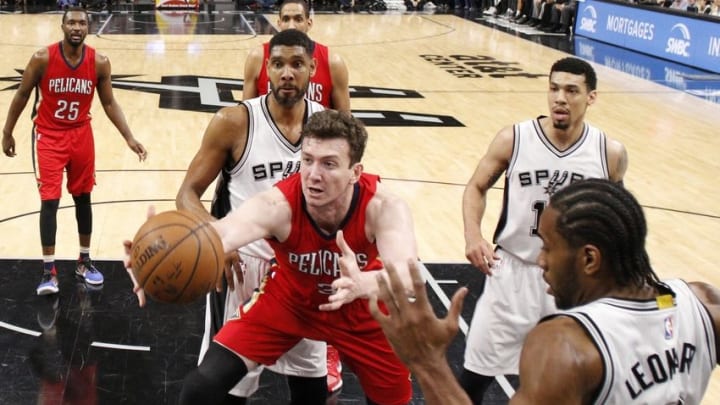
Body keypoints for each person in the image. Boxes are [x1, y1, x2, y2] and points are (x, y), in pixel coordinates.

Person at [125, 109, 417, 405]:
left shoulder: (384, 207)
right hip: (290, 302)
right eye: (307, 160)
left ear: (355, 172)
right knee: (201, 388)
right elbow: (219, 236)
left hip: (363, 312)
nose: (314, 175)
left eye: (329, 164)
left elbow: (407, 276)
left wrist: (362, 284)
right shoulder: (278, 204)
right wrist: (156, 251)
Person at [372, 178, 720, 404]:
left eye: (549, 247)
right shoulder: (702, 303)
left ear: (589, 259)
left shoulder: (566, 345)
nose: (540, 261)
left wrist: (428, 362)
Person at [460, 57, 629, 403]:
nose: (559, 99)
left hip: (572, 283)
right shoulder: (515, 138)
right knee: (473, 380)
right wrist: (473, 236)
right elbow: (475, 187)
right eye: (553, 89)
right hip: (512, 274)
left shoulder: (608, 153)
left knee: (570, 388)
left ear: (591, 97)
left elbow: (620, 219)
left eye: (571, 90)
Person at [175, 29, 327, 404]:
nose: (286, 73)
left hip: (303, 274)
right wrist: (216, 236)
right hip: (245, 271)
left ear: (312, 67)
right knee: (224, 391)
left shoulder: (327, 125)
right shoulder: (235, 121)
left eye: (296, 64)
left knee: (311, 390)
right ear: (266, 69)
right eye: (277, 64)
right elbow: (186, 194)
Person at [242, 0, 350, 394]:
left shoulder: (331, 63)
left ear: (310, 22)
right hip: (261, 220)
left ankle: (330, 347)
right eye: (283, 18)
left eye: (295, 18)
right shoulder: (260, 58)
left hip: (307, 212)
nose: (288, 23)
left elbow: (346, 128)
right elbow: (246, 114)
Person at [2, 7, 147, 296]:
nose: (77, 27)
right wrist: (7, 132)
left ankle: (84, 261)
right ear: (62, 26)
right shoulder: (43, 58)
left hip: (81, 135)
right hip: (48, 137)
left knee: (83, 198)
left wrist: (129, 137)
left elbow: (108, 103)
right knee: (50, 201)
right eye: (72, 23)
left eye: (82, 23)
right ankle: (48, 271)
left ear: (89, 27)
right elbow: (21, 94)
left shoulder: (99, 62)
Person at [242, 0, 350, 111]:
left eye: (298, 19)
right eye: (286, 19)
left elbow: (345, 122)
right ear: (279, 24)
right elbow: (246, 115)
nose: (291, 26)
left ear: (309, 23)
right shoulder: (257, 57)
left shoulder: (333, 62)